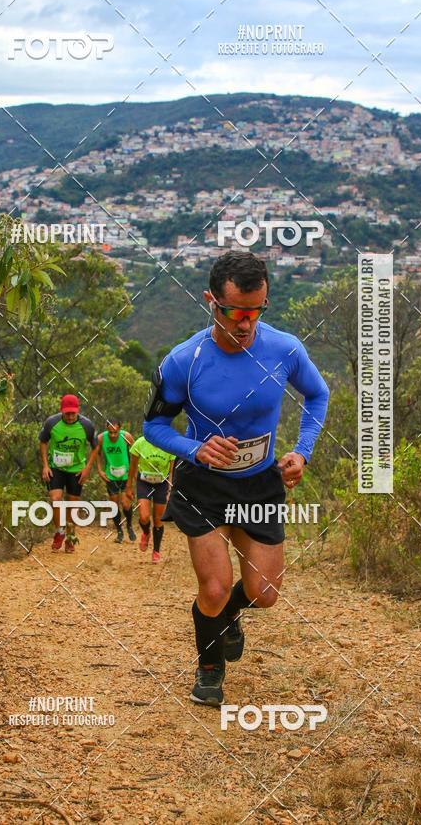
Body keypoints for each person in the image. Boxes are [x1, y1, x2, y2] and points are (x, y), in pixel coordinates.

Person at [144, 250, 329, 706]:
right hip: (204, 484)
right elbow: (154, 426)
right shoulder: (184, 361)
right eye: (235, 312)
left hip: (259, 481)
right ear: (211, 301)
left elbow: (318, 395)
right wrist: (195, 448)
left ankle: (225, 616)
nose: (246, 324)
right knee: (213, 585)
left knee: (264, 593)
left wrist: (301, 453)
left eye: (255, 312)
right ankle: (209, 667)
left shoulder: (285, 349)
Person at [39, 394, 97, 553]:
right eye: (67, 413)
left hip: (76, 470)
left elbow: (95, 446)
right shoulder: (52, 423)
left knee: (72, 504)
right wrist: (45, 466)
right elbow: (43, 442)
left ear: (78, 411)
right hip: (55, 468)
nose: (71, 416)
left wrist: (87, 468)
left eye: (73, 413)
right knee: (55, 499)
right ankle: (60, 532)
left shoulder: (87, 425)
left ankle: (70, 537)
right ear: (62, 411)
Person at [125, 437, 175, 563]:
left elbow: (172, 470)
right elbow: (132, 467)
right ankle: (146, 533)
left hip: (162, 484)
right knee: (144, 516)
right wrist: (129, 487)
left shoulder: (169, 444)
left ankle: (156, 551)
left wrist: (170, 490)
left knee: (158, 519)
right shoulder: (140, 443)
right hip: (144, 482)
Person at [87, 417, 136, 543]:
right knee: (114, 505)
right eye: (110, 432)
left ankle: (129, 526)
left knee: (126, 504)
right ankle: (119, 531)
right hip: (111, 475)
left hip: (125, 475)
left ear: (120, 429)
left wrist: (134, 472)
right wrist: (100, 470)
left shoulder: (126, 436)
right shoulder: (101, 438)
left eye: (115, 432)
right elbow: (95, 453)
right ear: (107, 430)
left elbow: (136, 454)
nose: (113, 435)